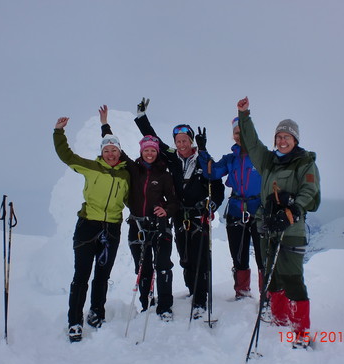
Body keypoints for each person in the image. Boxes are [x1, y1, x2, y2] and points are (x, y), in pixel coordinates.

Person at [236, 97, 321, 349]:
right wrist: (244, 115)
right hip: (268, 225)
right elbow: (251, 143)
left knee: (292, 276)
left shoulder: (305, 162)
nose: (282, 141)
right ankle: (279, 317)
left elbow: (309, 190)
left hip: (291, 227)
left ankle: (300, 330)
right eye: (279, 136)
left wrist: (292, 209)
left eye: (287, 137)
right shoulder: (269, 161)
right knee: (271, 274)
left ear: (295, 140)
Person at [134, 98, 225, 319]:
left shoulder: (204, 159)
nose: (182, 144)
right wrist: (141, 118)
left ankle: (201, 300)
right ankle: (193, 290)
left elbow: (217, 186)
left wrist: (213, 204)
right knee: (185, 257)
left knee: (200, 258)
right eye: (178, 140)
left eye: (185, 140)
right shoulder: (172, 158)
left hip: (198, 214)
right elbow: (153, 139)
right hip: (179, 215)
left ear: (191, 140)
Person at [53, 116, 130, 343]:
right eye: (107, 150)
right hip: (88, 227)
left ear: (119, 152)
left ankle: (97, 312)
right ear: (102, 153)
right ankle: (75, 322)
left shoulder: (126, 175)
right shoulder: (91, 167)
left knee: (102, 276)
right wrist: (59, 132)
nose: (110, 154)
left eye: (114, 150)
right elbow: (66, 156)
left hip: (112, 230)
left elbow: (133, 199)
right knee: (81, 276)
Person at [99, 105, 179, 321]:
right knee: (143, 267)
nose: (150, 153)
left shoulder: (165, 174)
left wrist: (166, 210)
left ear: (157, 152)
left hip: (159, 226)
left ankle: (164, 307)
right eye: (146, 150)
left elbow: (174, 202)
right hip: (137, 226)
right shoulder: (133, 168)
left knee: (163, 266)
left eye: (153, 150)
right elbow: (113, 147)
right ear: (141, 151)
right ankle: (146, 304)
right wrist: (105, 125)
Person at [196, 118, 264, 300]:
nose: (239, 136)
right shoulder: (231, 159)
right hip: (236, 210)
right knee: (239, 256)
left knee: (263, 257)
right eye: (236, 132)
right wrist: (202, 151)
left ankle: (267, 297)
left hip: (260, 212)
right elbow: (212, 172)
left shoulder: (262, 157)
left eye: (243, 132)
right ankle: (242, 293)